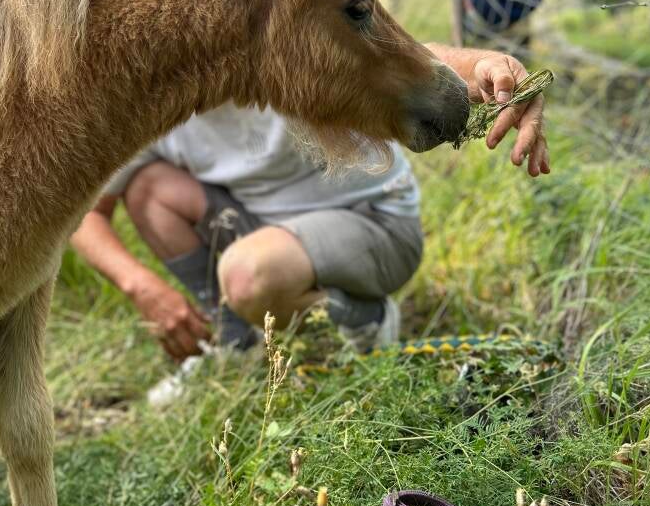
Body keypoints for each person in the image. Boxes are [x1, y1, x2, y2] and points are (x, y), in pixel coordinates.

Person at [71, 46, 548, 361]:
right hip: (267, 230)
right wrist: (141, 286)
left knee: (246, 273)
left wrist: (487, 66)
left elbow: (401, 52)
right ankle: (238, 345)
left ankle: (367, 321)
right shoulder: (152, 101)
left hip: (372, 226)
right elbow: (86, 216)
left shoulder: (281, 50)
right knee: (149, 189)